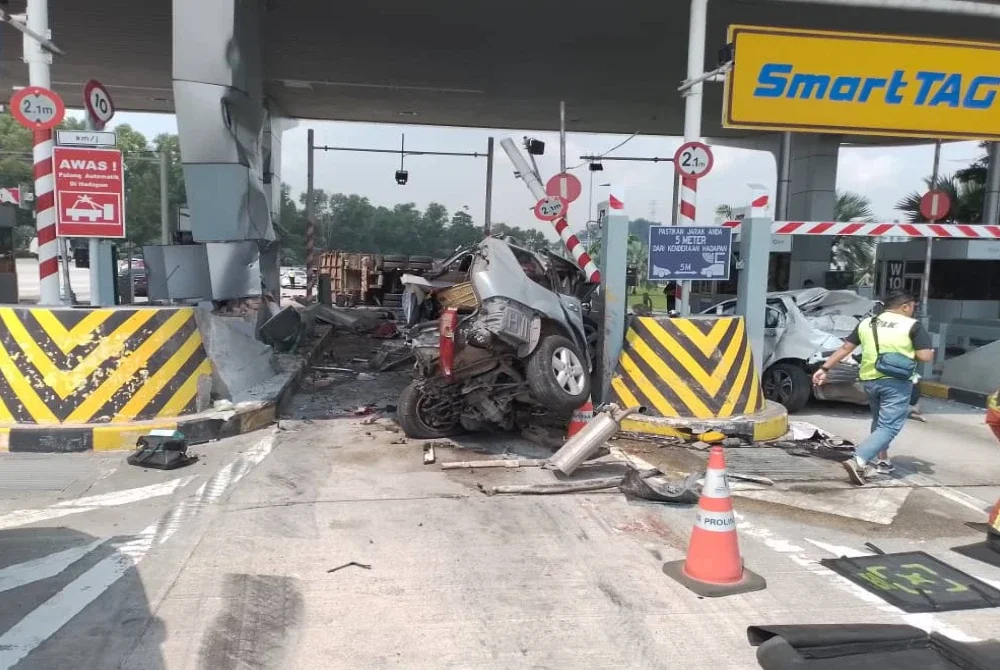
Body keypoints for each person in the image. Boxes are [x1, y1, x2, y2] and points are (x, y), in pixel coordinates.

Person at [811, 290, 934, 485]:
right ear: (905, 306)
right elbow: (925, 356)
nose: (913, 311)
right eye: (912, 307)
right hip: (896, 381)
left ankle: (883, 461)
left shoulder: (867, 323)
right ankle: (859, 458)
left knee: (879, 422)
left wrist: (824, 368)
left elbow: (845, 349)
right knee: (890, 426)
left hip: (869, 380)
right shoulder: (913, 326)